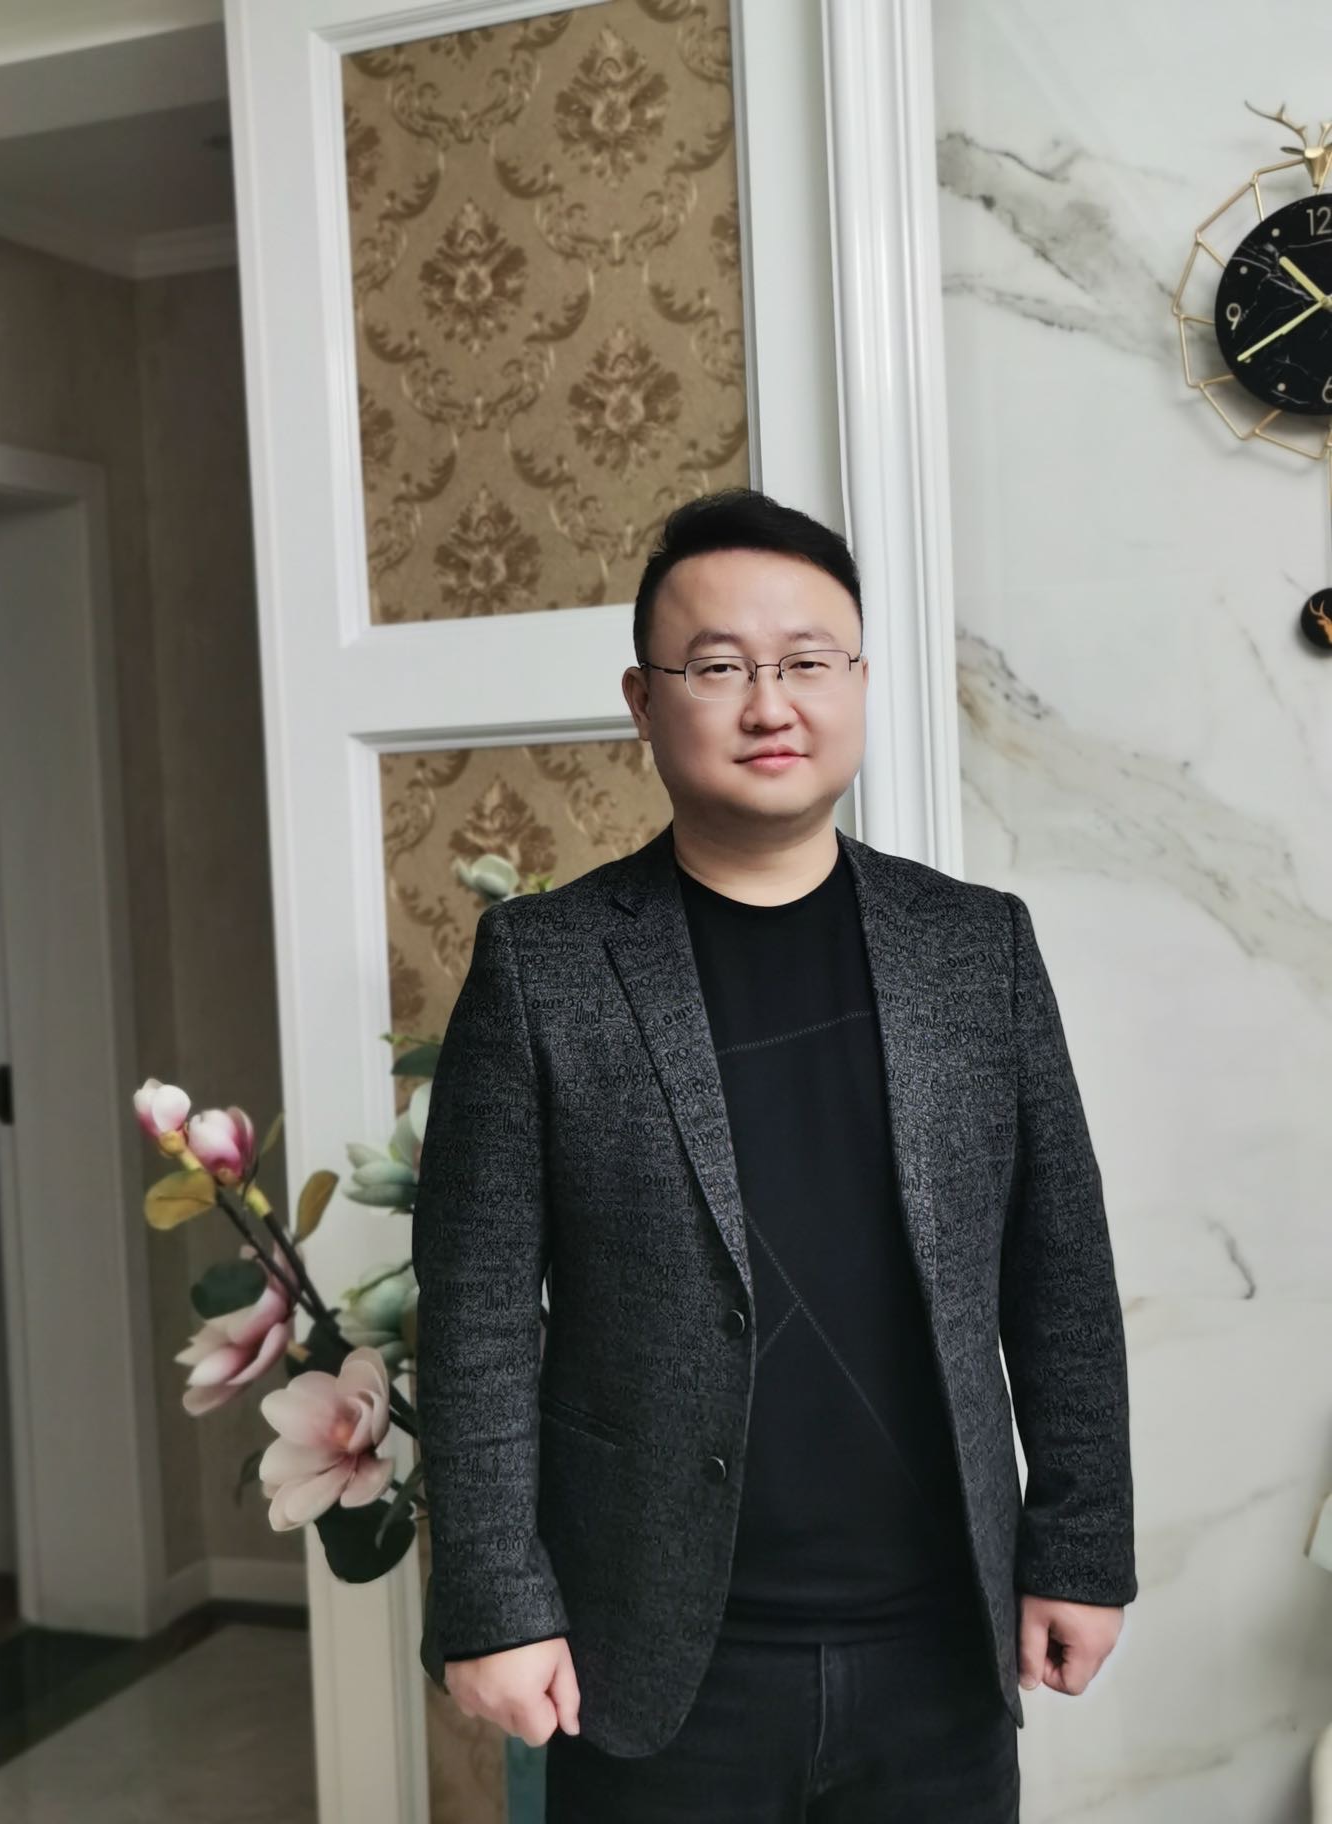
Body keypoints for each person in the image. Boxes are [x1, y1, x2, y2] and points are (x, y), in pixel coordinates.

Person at [412, 487, 1137, 1821]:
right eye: (719, 668)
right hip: (658, 1661)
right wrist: (495, 1603)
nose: (770, 705)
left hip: (941, 1647)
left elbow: (1062, 1277)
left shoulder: (976, 950)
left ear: (857, 682)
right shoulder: (544, 967)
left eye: (808, 662)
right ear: (643, 701)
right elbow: (475, 1317)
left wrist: (1082, 1546)